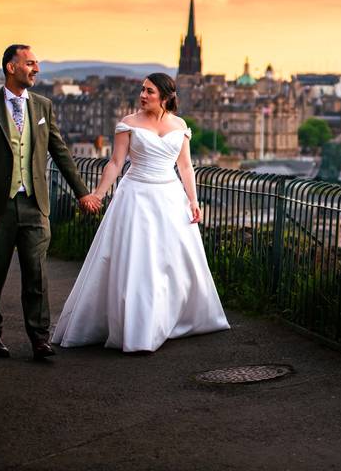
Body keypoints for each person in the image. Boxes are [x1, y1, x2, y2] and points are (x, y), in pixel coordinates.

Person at [52, 73, 229, 352]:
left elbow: (185, 166)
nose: (143, 95)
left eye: (149, 91)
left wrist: (193, 201)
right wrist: (98, 193)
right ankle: (139, 326)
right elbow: (115, 163)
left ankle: (169, 318)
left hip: (170, 196)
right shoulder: (128, 124)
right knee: (140, 261)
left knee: (172, 262)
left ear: (166, 97)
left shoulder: (180, 125)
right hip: (136, 195)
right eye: (142, 90)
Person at [0, 44, 102, 361]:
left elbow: (60, 150)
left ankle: (40, 338)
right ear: (11, 68)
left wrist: (82, 192)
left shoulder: (43, 106)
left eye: (37, 63)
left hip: (34, 204)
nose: (36, 68)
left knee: (37, 274)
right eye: (30, 63)